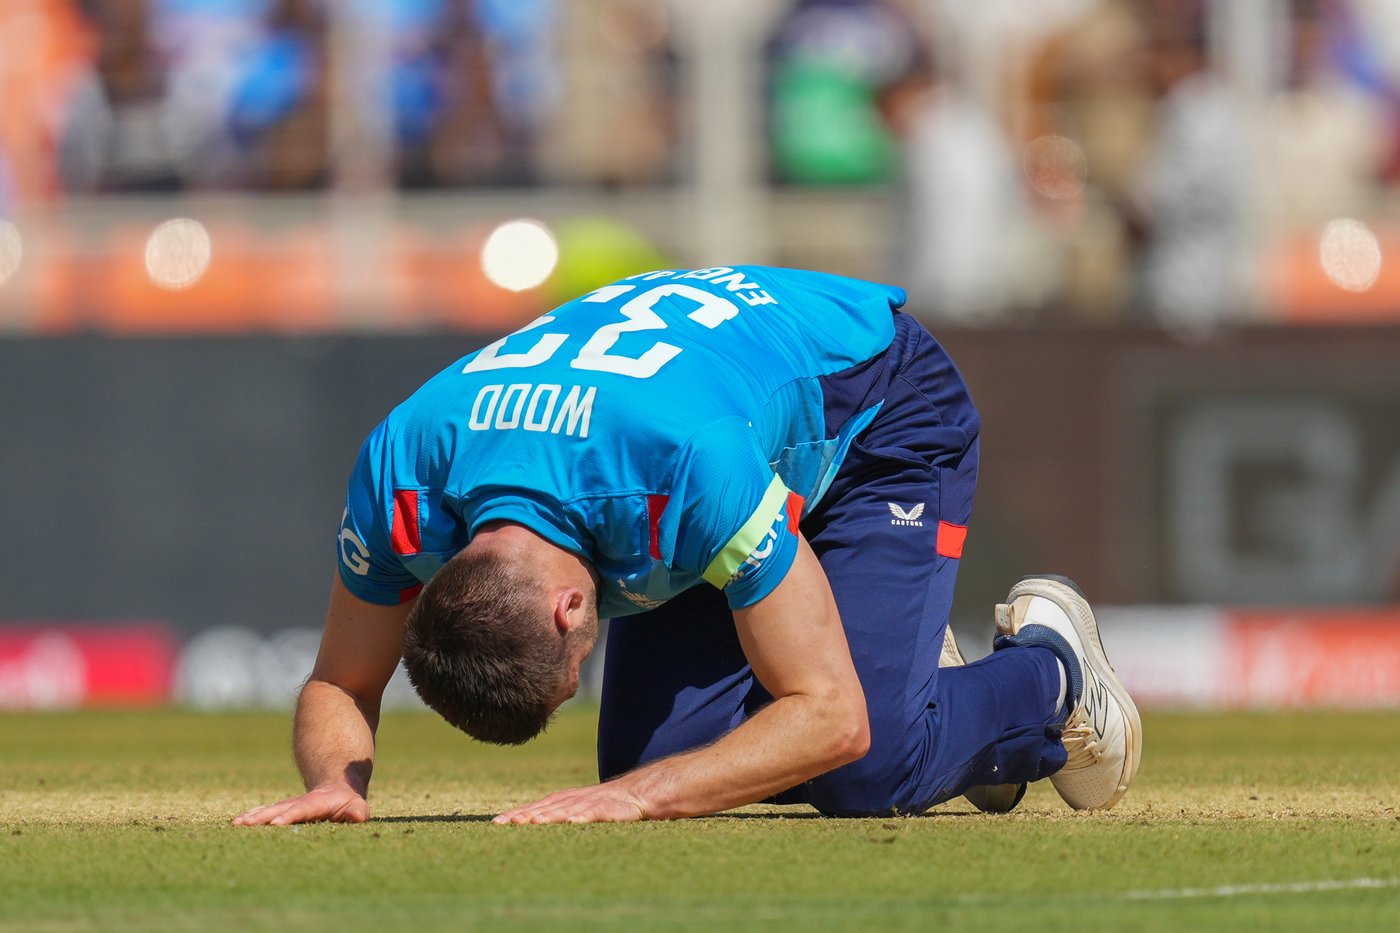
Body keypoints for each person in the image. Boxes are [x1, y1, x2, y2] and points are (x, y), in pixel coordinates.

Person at [234, 266, 1140, 826]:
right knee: (655, 764)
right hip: (712, 424)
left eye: (570, 670)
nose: (581, 672)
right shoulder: (401, 476)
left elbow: (830, 717)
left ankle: (1052, 668)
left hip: (876, 408)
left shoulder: (682, 470)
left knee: (865, 765)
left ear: (571, 606)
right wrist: (336, 782)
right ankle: (904, 665)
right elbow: (342, 681)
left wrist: (639, 797)